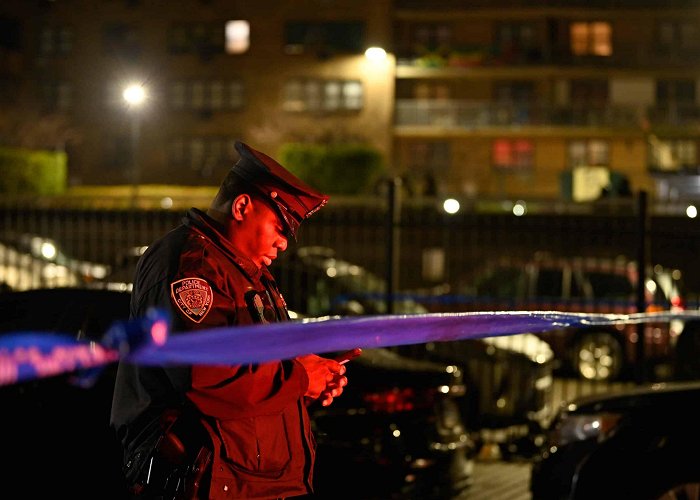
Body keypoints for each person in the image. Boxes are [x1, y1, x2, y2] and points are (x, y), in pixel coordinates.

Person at [110, 141, 349, 499]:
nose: (285, 244)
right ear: (242, 206)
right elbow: (208, 376)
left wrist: (311, 379)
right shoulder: (193, 266)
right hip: (210, 483)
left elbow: (255, 376)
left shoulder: (244, 271)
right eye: (281, 227)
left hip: (249, 482)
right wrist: (299, 378)